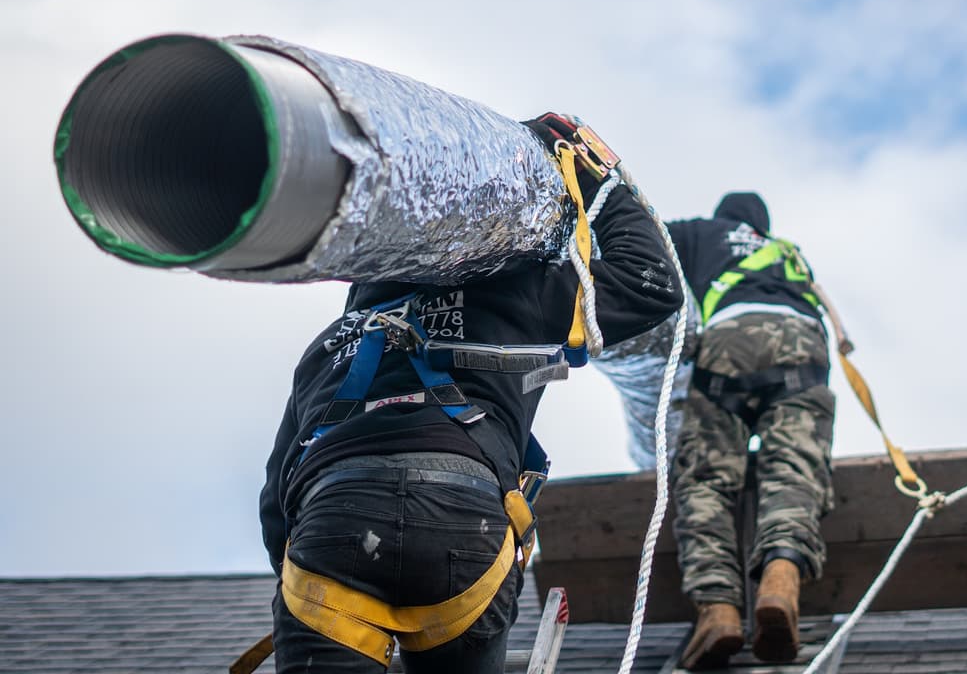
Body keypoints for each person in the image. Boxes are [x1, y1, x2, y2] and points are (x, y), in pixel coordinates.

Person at [255, 113, 682, 674]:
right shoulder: (517, 295)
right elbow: (652, 281)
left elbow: (275, 503)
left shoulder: (334, 342)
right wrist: (593, 170)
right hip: (464, 521)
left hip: (333, 517)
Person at [666, 192, 853, 669]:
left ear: (722, 216)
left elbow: (636, 237)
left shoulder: (699, 233)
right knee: (793, 466)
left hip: (730, 338)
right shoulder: (788, 251)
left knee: (705, 476)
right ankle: (781, 582)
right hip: (802, 342)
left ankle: (719, 610)